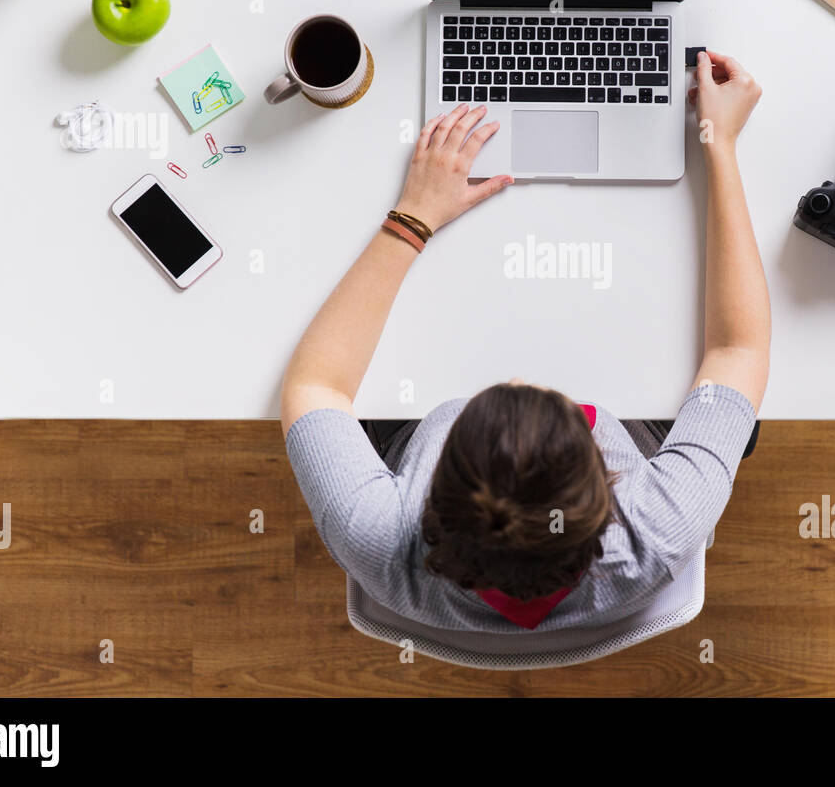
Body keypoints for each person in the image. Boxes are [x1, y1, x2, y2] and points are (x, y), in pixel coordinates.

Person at [281, 51, 769, 633]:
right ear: (607, 496)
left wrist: (413, 217)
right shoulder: (662, 527)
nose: (520, 378)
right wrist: (720, 143)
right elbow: (737, 351)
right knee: (728, 416)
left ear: (433, 490)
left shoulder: (376, 536)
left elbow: (317, 384)